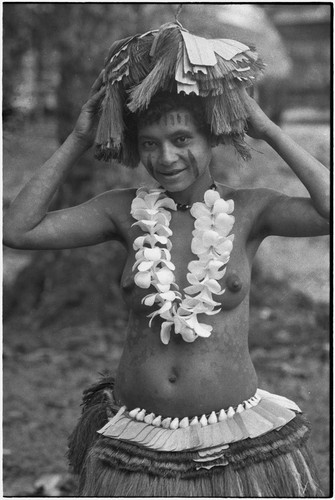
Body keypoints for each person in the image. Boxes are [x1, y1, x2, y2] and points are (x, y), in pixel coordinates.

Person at [3, 22, 329, 497]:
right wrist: (78, 138)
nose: (166, 157)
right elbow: (18, 230)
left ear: (211, 138)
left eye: (181, 140)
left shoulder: (252, 209)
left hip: (232, 436)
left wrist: (266, 129)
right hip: (140, 437)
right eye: (151, 144)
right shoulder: (120, 210)